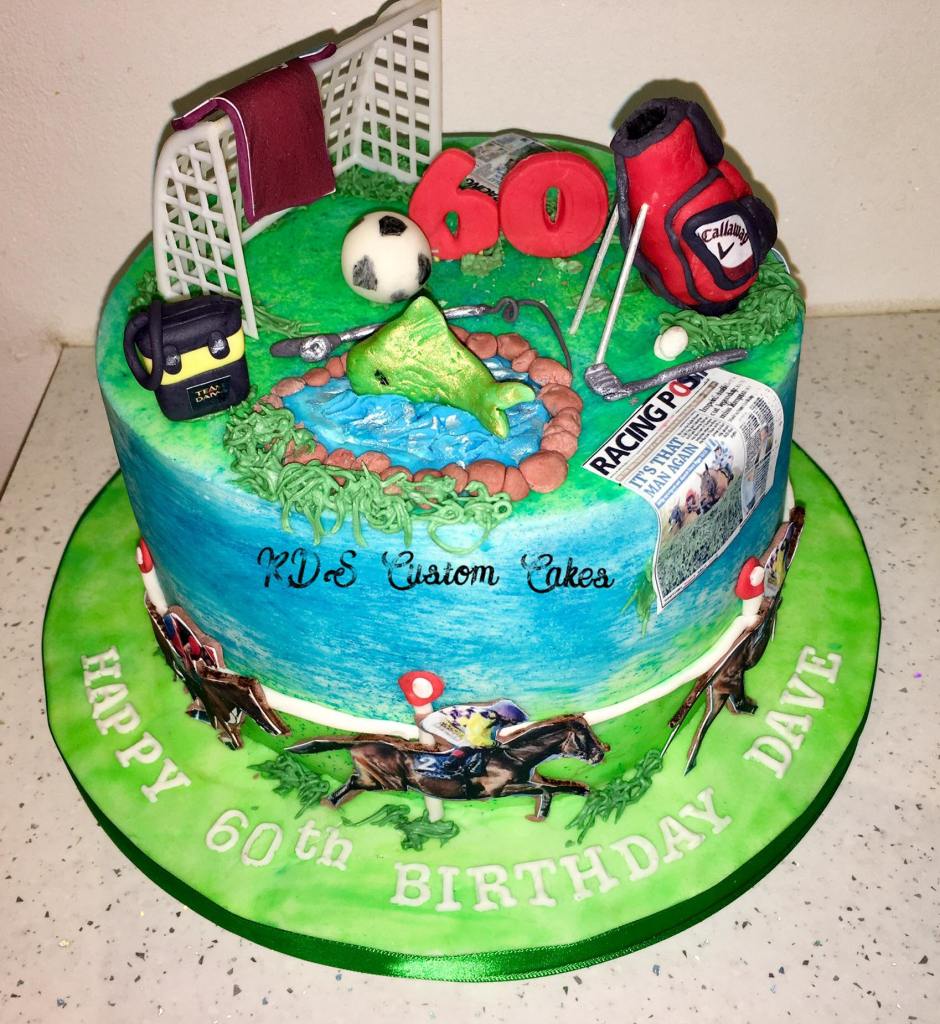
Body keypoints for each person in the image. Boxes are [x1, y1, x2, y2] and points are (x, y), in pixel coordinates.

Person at [419, 699, 528, 778]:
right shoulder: (485, 717)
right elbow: (474, 737)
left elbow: (484, 736)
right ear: (505, 716)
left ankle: (461, 764)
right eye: (512, 721)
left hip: (444, 720)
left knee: (475, 743)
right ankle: (448, 766)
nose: (510, 724)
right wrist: (494, 744)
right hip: (437, 721)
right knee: (467, 742)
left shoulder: (491, 716)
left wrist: (492, 743)